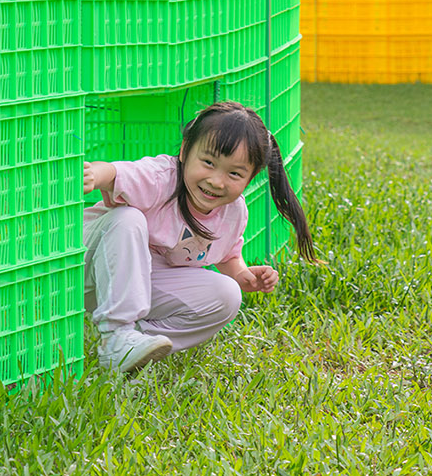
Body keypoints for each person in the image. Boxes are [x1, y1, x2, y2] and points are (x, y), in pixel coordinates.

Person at [80, 101, 316, 375]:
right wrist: (94, 174)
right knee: (128, 218)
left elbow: (228, 254)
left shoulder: (233, 212)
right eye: (208, 163)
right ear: (184, 152)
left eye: (234, 173)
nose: (217, 181)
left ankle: (138, 343)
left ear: (251, 178)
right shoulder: (160, 178)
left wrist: (242, 275)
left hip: (134, 286)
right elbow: (116, 173)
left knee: (227, 295)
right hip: (86, 269)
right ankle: (116, 337)